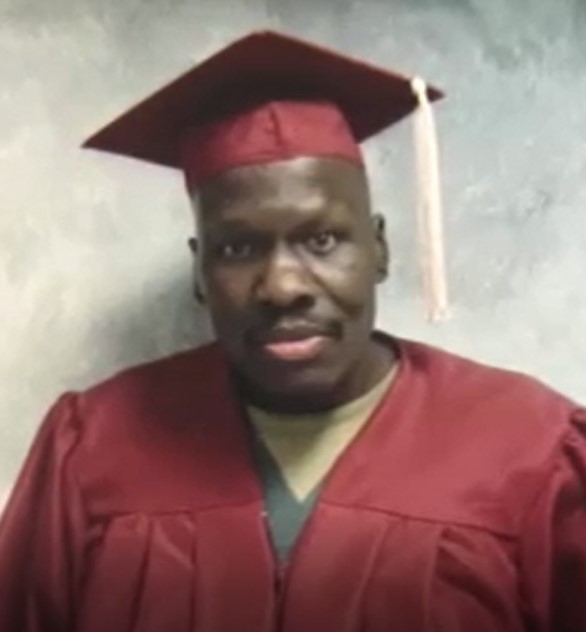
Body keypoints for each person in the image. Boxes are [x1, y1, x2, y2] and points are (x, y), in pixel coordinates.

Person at [0, 30, 584, 632]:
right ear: (200, 270)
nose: (281, 286)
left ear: (379, 249)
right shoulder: (93, 445)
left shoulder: (532, 450)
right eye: (238, 248)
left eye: (321, 239)